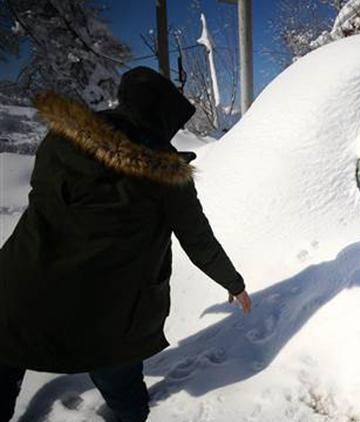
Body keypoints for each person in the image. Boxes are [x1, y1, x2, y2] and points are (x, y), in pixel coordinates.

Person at [0, 66, 251, 422]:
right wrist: (234, 282)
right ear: (159, 116)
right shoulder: (166, 174)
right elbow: (197, 238)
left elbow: (46, 200)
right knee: (128, 404)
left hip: (16, 291)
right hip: (107, 316)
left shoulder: (59, 141)